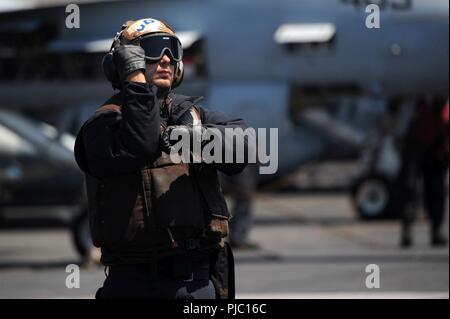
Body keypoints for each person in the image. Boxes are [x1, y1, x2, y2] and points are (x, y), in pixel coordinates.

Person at [74, 18, 252, 298]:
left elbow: (244, 146)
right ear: (123, 62)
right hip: (132, 282)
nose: (166, 60)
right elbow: (141, 144)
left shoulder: (191, 116)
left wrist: (191, 138)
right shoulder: (102, 126)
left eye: (173, 50)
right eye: (153, 50)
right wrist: (135, 81)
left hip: (193, 281)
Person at [398, 96, 449, 248]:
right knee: (409, 188)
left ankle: (436, 230)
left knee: (437, 190)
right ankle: (407, 230)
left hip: (435, 146)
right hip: (414, 145)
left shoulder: (441, 98)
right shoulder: (410, 96)